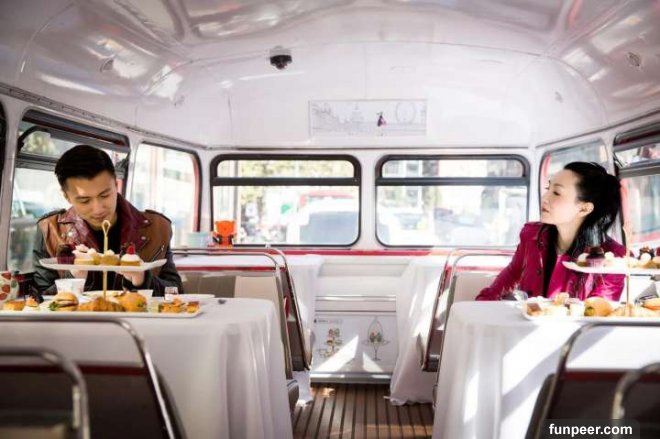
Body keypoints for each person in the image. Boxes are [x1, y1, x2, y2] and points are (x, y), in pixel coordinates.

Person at [33, 145, 183, 296]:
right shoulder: (49, 229)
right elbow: (38, 299)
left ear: (116, 186)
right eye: (85, 200)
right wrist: (73, 276)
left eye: (104, 195)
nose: (98, 209)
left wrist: (143, 279)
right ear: (66, 196)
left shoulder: (157, 227)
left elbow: (176, 293)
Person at [476, 162, 626, 301]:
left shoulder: (613, 259)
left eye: (556, 193)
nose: (544, 198)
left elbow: (597, 311)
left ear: (584, 208)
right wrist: (482, 304)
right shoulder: (531, 235)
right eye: (548, 189)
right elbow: (512, 274)